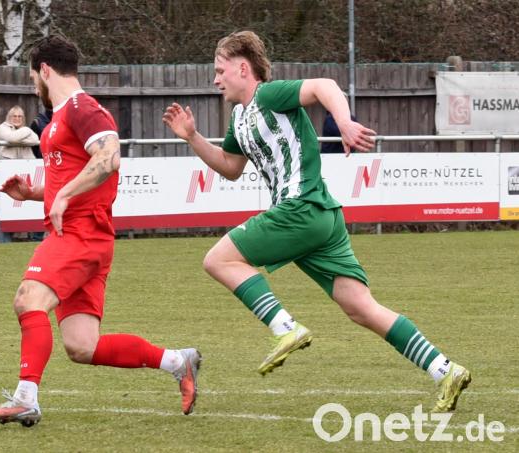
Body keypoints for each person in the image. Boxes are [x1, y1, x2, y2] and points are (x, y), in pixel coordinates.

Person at [163, 30, 470, 413]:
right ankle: (446, 370)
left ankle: (285, 328)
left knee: (218, 260)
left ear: (243, 68)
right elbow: (229, 167)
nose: (215, 79)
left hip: (301, 207)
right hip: (321, 218)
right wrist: (192, 137)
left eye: (220, 70)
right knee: (361, 308)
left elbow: (324, 85)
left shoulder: (269, 96)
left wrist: (343, 121)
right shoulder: (239, 118)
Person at [0, 35, 201, 427]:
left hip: (79, 235)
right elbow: (74, 174)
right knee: (82, 346)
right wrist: (34, 193)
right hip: (85, 237)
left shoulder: (83, 107)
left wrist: (62, 195)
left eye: (33, 78)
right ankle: (178, 361)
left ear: (45, 70)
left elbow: (109, 156)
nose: (34, 87)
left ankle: (25, 398)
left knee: (28, 298)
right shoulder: (60, 117)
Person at [0, 105, 40, 242]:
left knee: (27, 206)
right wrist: (25, 131)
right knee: (5, 207)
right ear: (9, 117)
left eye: (20, 116)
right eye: (14, 116)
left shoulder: (25, 130)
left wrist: (19, 136)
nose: (17, 119)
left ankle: (34, 239)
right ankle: (3, 241)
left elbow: (36, 139)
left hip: (24, 175)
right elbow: (11, 138)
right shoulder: (2, 127)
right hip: (5, 174)